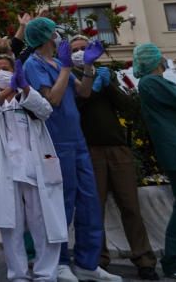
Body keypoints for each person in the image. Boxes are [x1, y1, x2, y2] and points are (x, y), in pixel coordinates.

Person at [22, 17, 121, 282]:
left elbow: (85, 93)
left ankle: (88, 263)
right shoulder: (34, 64)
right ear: (44, 37)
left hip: (76, 140)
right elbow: (50, 99)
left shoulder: (57, 63)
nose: (58, 35)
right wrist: (66, 68)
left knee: (89, 200)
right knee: (61, 203)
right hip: (55, 141)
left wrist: (87, 65)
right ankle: (60, 262)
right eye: (54, 32)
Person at [72, 36, 159, 280]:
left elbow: (128, 106)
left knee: (130, 205)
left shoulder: (106, 74)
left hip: (117, 148)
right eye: (76, 50)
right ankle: (98, 259)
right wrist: (88, 85)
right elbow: (74, 106)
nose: (80, 52)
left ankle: (144, 259)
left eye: (84, 49)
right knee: (94, 208)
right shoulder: (69, 77)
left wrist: (107, 83)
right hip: (89, 150)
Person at [0, 38, 67, 282]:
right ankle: (17, 274)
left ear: (16, 71)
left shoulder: (29, 95)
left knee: (42, 223)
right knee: (12, 226)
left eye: (5, 69)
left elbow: (45, 111)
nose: (0, 73)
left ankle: (45, 273)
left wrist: (24, 88)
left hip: (34, 166)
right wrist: (9, 89)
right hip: (6, 170)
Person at [134, 43, 176, 281]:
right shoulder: (151, 83)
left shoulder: (160, 83)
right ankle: (175, 263)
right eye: (160, 55)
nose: (164, 58)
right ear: (154, 60)